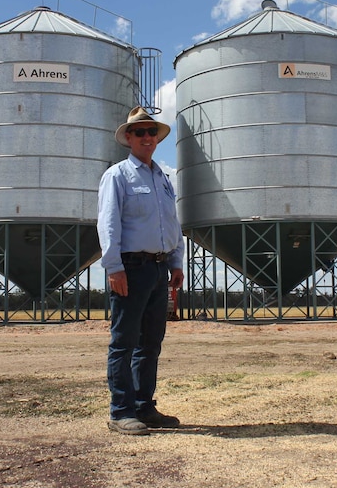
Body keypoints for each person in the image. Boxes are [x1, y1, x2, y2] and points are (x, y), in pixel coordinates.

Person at [97, 106, 185, 436]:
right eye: (140, 132)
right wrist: (114, 267)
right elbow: (107, 224)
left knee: (151, 343)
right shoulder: (118, 176)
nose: (147, 137)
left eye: (152, 133)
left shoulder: (162, 178)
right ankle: (121, 411)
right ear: (128, 138)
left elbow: (171, 224)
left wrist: (176, 262)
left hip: (159, 269)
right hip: (130, 269)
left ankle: (144, 407)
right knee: (124, 341)